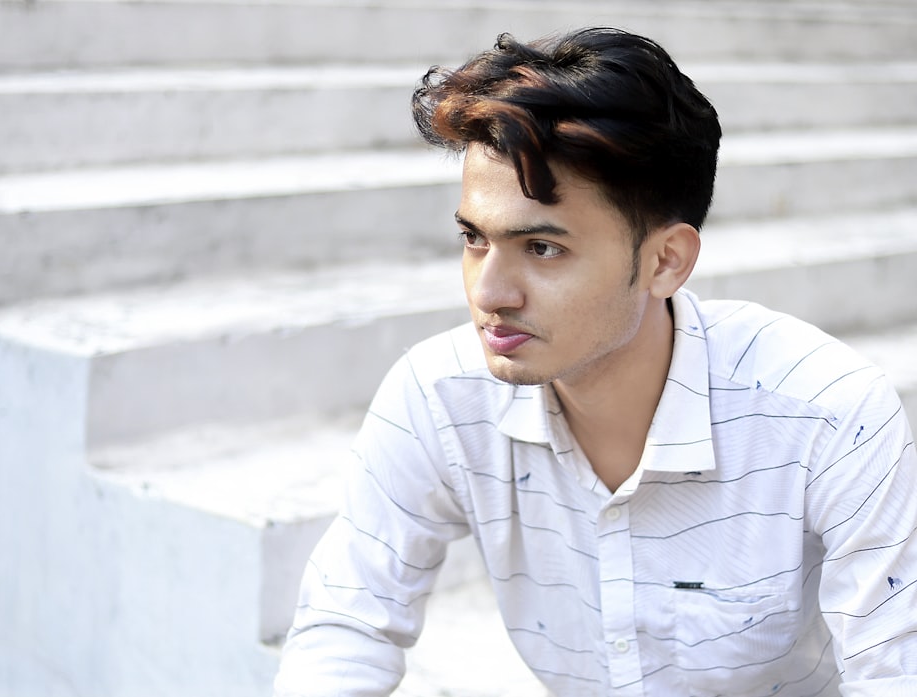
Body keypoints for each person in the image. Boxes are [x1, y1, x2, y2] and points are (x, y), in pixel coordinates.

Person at [272, 27, 917, 696]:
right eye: (474, 238)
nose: (490, 293)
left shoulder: (830, 418)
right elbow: (347, 623)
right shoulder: (439, 396)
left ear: (665, 260)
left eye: (543, 248)